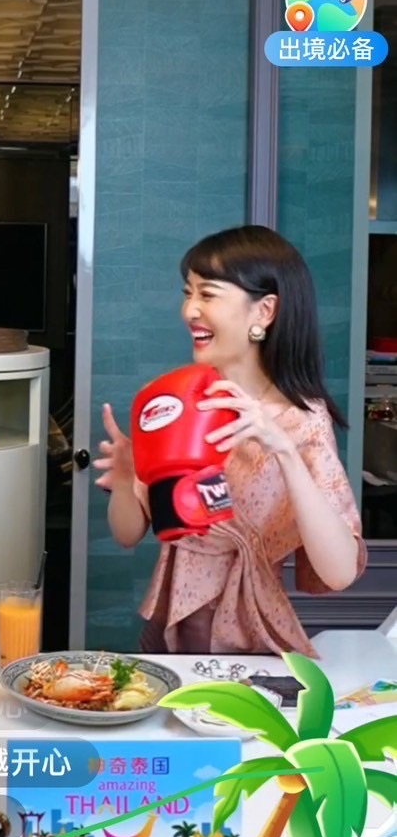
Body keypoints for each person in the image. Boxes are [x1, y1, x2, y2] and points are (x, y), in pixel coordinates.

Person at [94, 225, 365, 655]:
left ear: (265, 311)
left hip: (252, 640)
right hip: (171, 632)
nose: (190, 310)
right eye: (188, 293)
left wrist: (284, 452)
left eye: (208, 294)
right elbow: (128, 533)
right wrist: (128, 478)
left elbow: (339, 572)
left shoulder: (303, 421)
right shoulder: (174, 401)